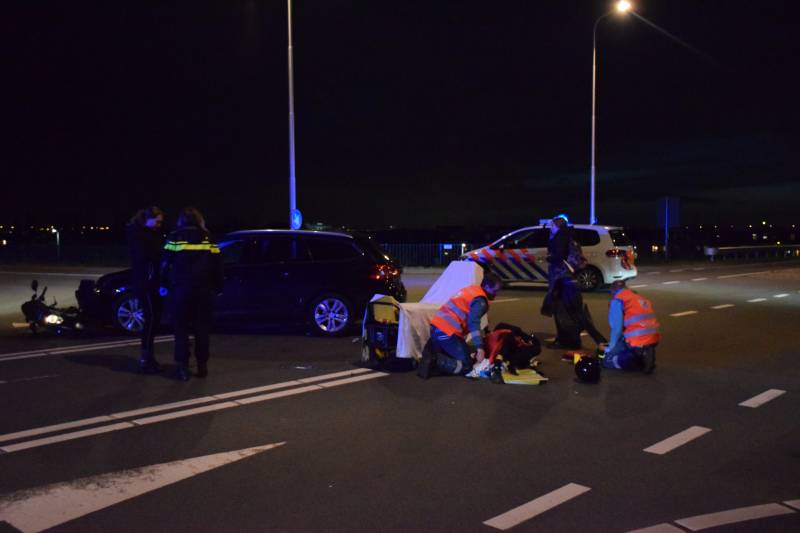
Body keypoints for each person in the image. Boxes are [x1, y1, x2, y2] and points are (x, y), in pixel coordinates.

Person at [161, 207, 224, 381]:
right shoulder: (208, 237)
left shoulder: (174, 237)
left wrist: (163, 284)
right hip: (203, 291)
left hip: (180, 291)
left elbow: (165, 264)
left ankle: (182, 368)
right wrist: (218, 286)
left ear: (181, 221)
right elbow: (217, 264)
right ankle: (202, 366)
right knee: (201, 330)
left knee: (181, 330)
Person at [417, 271, 503, 378]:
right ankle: (434, 360)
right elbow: (473, 323)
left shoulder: (472, 290)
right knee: (466, 366)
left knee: (462, 354)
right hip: (447, 333)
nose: (496, 294)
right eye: (494, 290)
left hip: (436, 327)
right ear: (486, 286)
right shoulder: (480, 300)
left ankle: (432, 355)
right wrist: (479, 347)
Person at [542, 214, 607, 349]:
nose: (551, 229)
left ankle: (597, 340)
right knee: (569, 313)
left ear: (558, 227)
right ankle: (568, 340)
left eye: (552, 226)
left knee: (570, 313)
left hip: (563, 281)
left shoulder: (561, 240)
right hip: (570, 280)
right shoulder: (571, 239)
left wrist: (550, 258)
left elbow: (557, 258)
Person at [126, 206, 165, 374]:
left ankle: (148, 357)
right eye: (157, 221)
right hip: (147, 284)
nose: (159, 225)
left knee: (153, 320)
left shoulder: (146, 234)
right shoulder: (141, 236)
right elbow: (148, 260)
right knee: (151, 320)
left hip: (148, 282)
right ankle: (146, 358)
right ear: (148, 219)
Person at [602, 279, 660, 374]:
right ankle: (643, 355)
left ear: (613, 291)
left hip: (636, 338)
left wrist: (610, 350)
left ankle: (634, 360)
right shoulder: (637, 297)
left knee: (607, 361)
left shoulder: (618, 300)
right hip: (653, 337)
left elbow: (616, 328)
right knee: (629, 342)